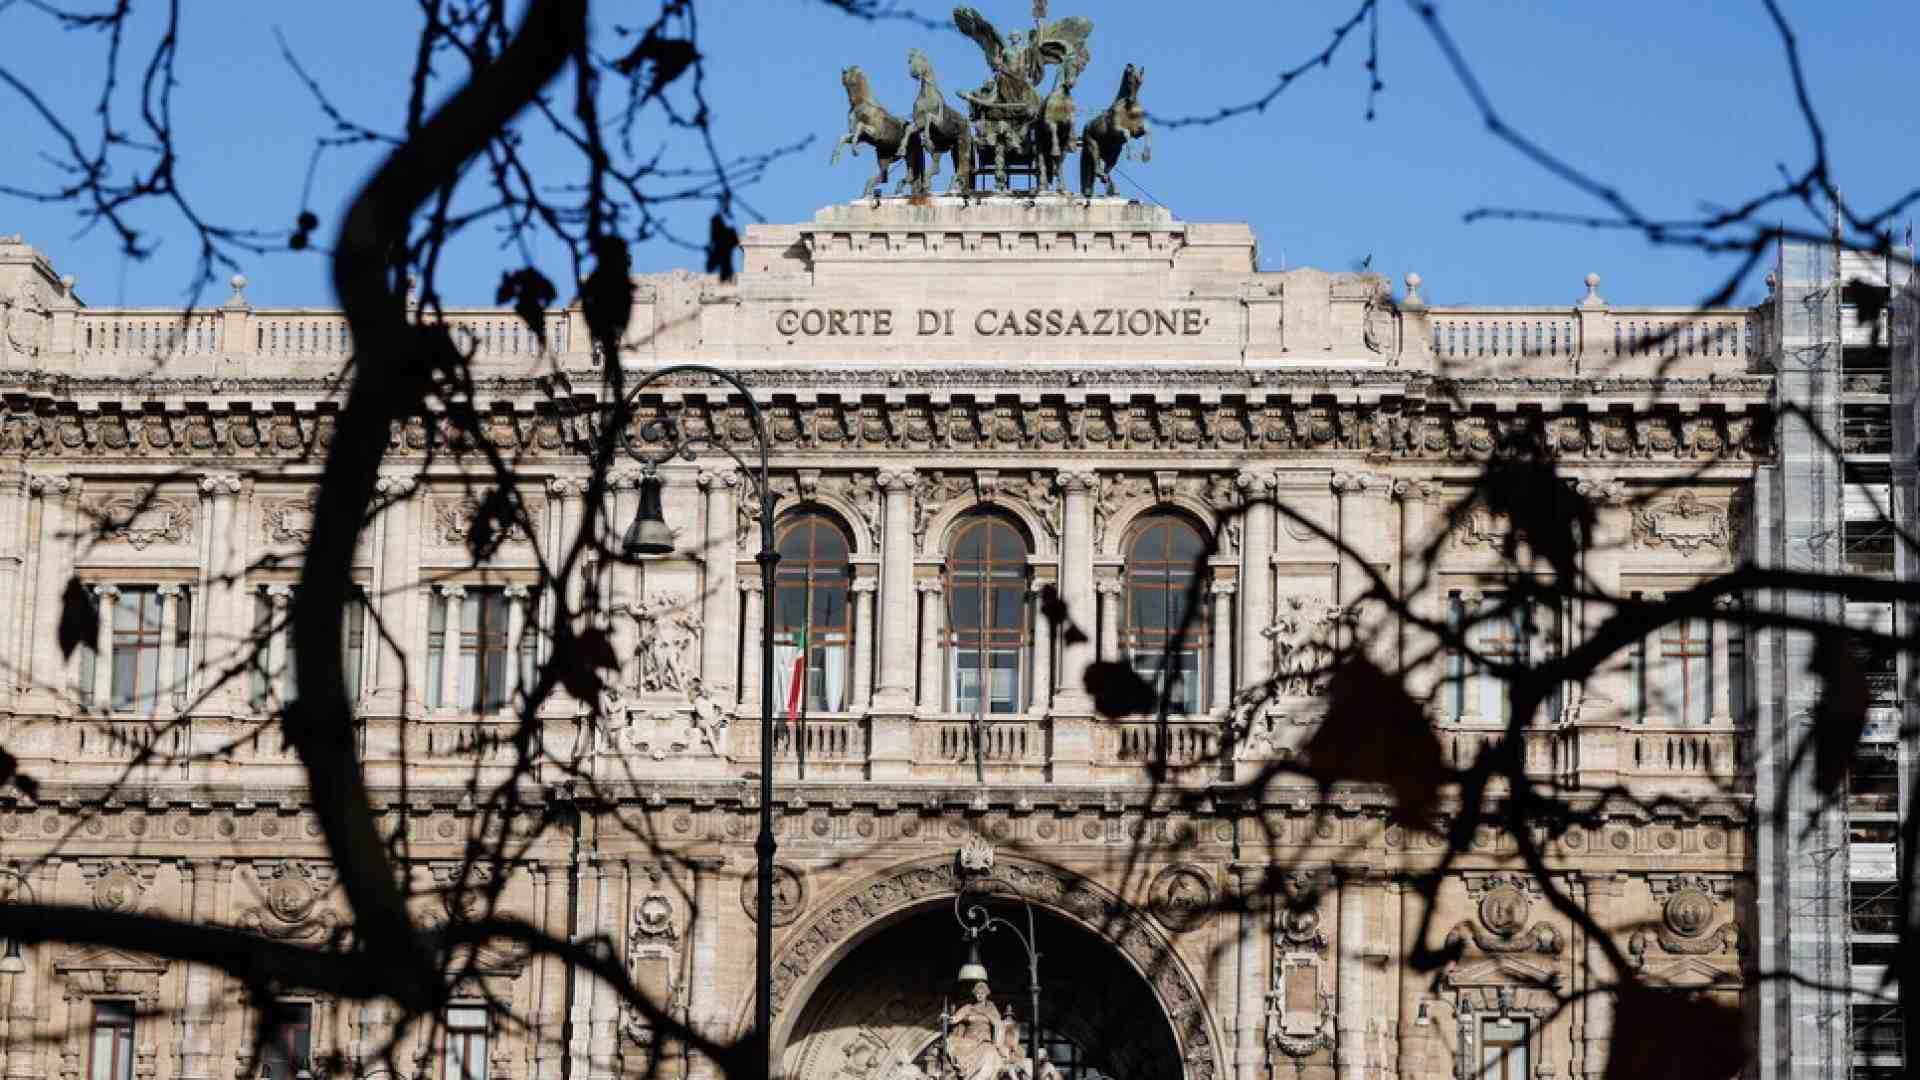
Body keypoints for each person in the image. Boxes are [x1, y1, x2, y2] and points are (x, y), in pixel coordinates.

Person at [945, 982, 1009, 1080]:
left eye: (982, 993)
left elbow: (997, 1023)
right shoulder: (969, 1007)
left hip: (985, 1040)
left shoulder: (991, 1008)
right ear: (975, 995)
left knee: (990, 1052)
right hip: (970, 1040)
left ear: (986, 994)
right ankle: (966, 1070)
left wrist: (984, 1014)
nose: (980, 995)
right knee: (951, 1042)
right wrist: (947, 1018)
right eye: (978, 993)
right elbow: (955, 1019)